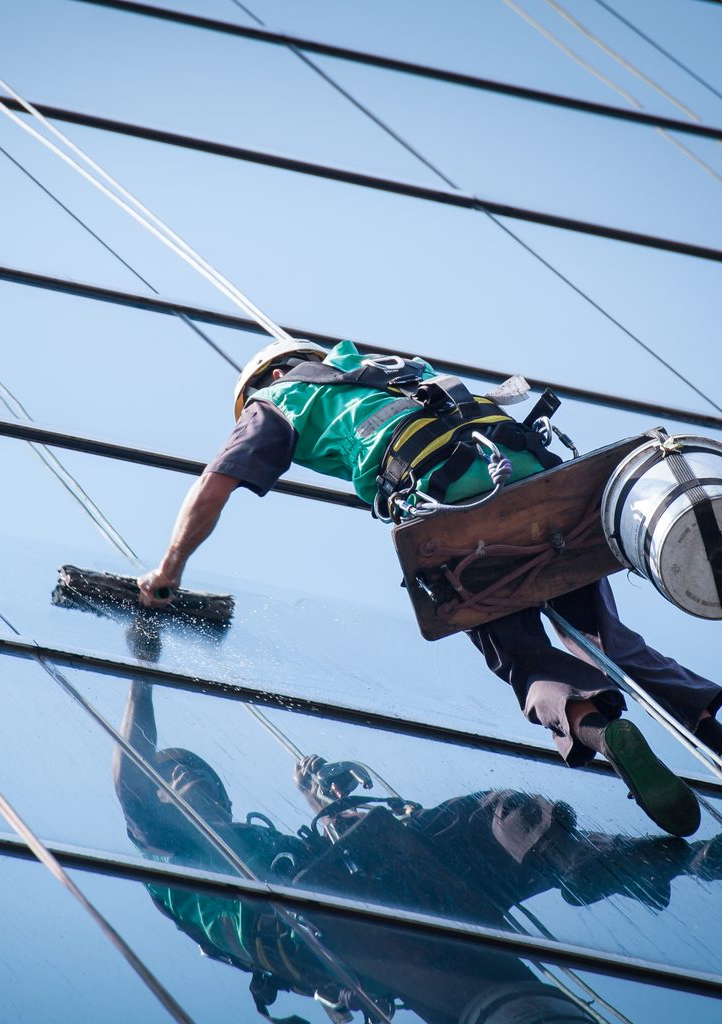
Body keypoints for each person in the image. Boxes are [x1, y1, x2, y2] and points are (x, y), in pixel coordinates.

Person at [137, 338, 722, 837]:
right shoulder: (393, 370)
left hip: (456, 512)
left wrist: (169, 567)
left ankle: (598, 726)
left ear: (266, 378)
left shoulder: (281, 398)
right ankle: (708, 726)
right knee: (608, 639)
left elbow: (215, 486)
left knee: (521, 657)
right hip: (541, 486)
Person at [113, 680, 721, 1024]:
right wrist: (142, 665)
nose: (185, 780)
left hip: (368, 896)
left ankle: (624, 862)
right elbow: (129, 783)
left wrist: (321, 804)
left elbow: (328, 856)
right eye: (172, 776)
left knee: (506, 813)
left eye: (196, 773)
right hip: (328, 933)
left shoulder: (255, 838)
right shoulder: (171, 856)